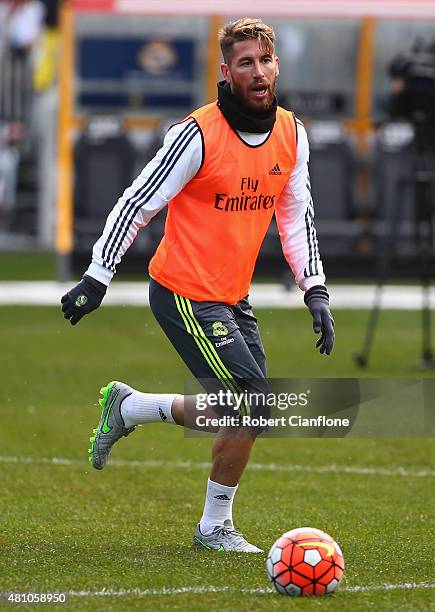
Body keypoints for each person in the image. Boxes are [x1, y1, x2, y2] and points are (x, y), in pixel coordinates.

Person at [61, 18, 335, 553]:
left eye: (264, 60)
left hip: (233, 295)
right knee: (252, 402)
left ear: (276, 64)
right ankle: (214, 527)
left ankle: (133, 408)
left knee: (249, 408)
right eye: (244, 62)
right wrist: (98, 275)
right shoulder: (197, 134)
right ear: (226, 71)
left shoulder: (291, 133)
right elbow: (136, 203)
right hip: (183, 291)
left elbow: (296, 214)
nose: (257, 71)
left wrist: (315, 288)